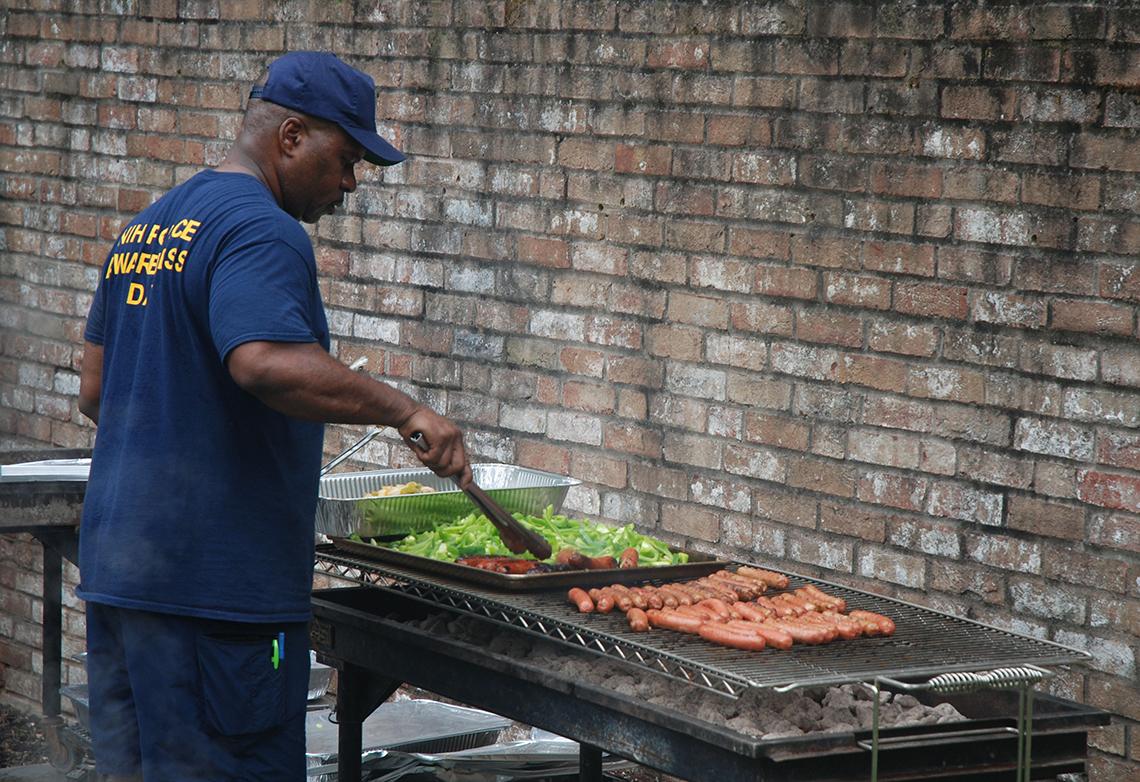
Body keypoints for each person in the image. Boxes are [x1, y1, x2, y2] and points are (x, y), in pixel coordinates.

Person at [76, 51, 470, 782]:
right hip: (220, 600)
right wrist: (405, 410)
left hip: (122, 584)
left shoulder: (146, 229)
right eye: (346, 157)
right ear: (291, 136)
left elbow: (96, 391)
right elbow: (260, 361)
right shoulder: (264, 229)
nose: (350, 183)